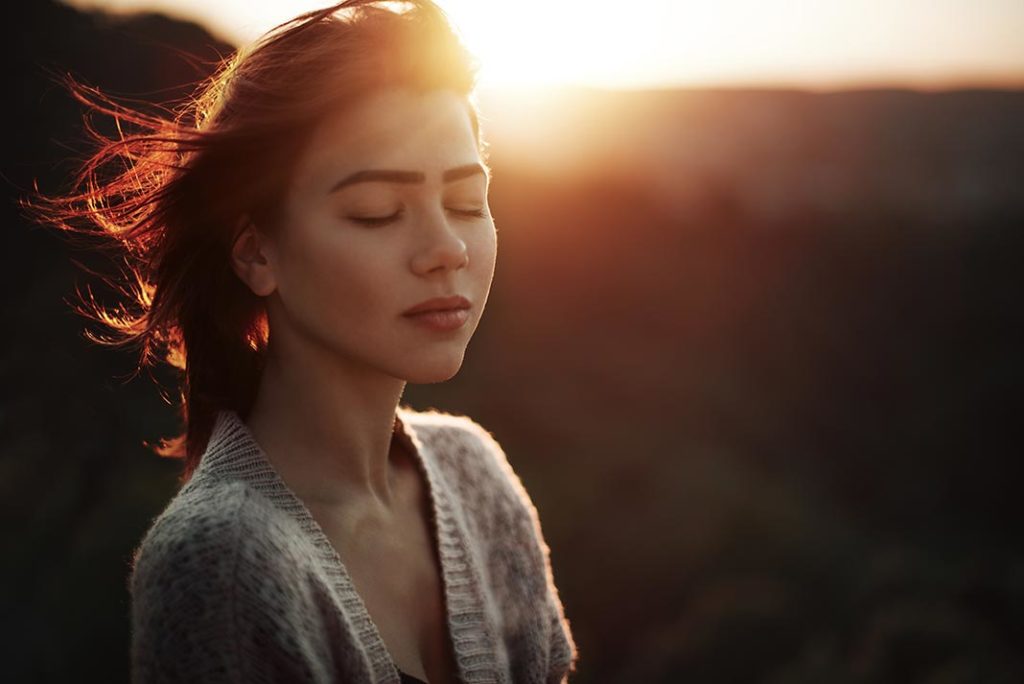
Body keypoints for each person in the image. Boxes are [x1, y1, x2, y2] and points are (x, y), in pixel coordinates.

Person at [21, 1, 578, 681]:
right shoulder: (220, 565)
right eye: (378, 212)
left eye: (466, 203)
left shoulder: (474, 472)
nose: (446, 249)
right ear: (256, 253)